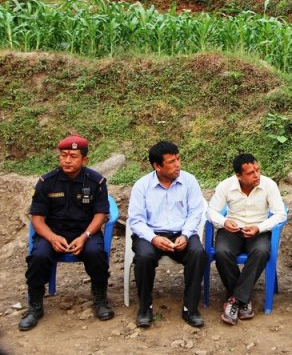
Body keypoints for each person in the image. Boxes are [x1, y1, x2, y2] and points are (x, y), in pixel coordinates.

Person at [20, 135, 114, 331]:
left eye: (73, 156)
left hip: (85, 232)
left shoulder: (96, 182)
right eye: (63, 155)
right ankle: (35, 306)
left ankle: (100, 299)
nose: (67, 160)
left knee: (96, 253)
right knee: (38, 255)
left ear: (84, 160)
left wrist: (85, 236)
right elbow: (37, 219)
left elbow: (101, 214)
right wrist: (52, 237)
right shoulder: (47, 182)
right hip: (53, 233)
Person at [127, 141, 207, 328]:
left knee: (198, 253)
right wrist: (153, 238)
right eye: (171, 161)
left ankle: (190, 308)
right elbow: (136, 220)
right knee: (144, 257)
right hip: (151, 234)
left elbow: (196, 212)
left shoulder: (189, 181)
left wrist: (186, 235)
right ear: (157, 166)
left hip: (181, 233)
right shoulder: (142, 186)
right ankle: (145, 308)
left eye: (178, 159)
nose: (178, 164)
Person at [207, 153, 287, 326]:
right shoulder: (226, 185)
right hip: (232, 229)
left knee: (262, 251)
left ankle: (234, 300)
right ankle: (243, 299)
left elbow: (280, 214)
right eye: (251, 173)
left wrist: (260, 227)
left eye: (257, 170)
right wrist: (224, 221)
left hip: (258, 229)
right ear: (239, 176)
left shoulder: (269, 185)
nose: (257, 175)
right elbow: (211, 211)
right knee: (222, 252)